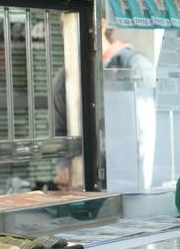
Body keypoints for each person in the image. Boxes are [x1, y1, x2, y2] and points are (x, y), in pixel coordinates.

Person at [49, 21, 151, 187]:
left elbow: (149, 133)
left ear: (101, 24)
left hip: (132, 183)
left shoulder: (134, 67)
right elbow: (60, 132)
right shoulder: (64, 78)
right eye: (63, 24)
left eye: (70, 23)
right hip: (85, 186)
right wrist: (65, 168)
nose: (65, 31)